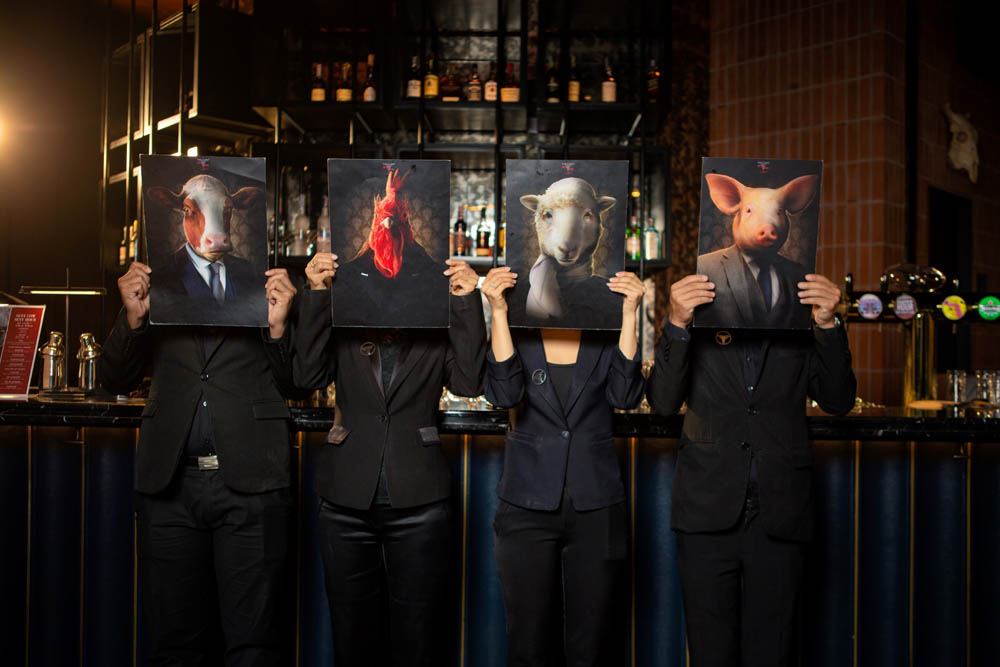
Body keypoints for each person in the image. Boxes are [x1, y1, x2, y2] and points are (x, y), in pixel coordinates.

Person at [98, 260, 303, 666]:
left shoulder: (265, 283)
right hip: (169, 484)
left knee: (254, 646)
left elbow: (299, 383)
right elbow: (115, 379)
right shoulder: (160, 283)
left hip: (252, 482)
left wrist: (278, 327)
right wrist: (133, 318)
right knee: (175, 646)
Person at [646, 272, 856, 667]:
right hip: (707, 507)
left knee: (773, 653)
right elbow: (663, 402)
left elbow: (838, 400)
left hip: (782, 508)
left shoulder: (798, 313)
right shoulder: (699, 311)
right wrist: (676, 322)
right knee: (709, 653)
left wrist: (828, 324)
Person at [292, 251, 487, 667]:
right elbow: (306, 376)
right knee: (352, 640)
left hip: (421, 500)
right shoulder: (346, 317)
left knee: (418, 642)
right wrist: (316, 293)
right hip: (345, 500)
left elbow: (469, 381)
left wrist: (466, 301)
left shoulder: (435, 323)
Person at [481, 265, 647, 666]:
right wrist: (498, 311)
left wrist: (629, 315)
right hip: (525, 504)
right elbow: (504, 394)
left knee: (592, 647)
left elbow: (625, 395)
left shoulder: (603, 329)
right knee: (528, 645)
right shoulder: (518, 326)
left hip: (597, 505)